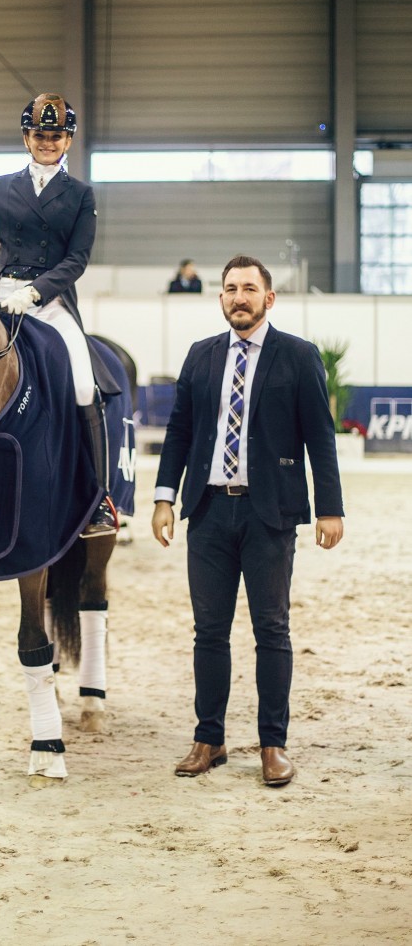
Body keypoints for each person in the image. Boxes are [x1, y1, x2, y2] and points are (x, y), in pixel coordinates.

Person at [151, 254, 344, 786]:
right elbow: (179, 431)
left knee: (272, 630)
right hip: (208, 510)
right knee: (209, 632)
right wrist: (165, 497)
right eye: (231, 288)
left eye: (249, 289)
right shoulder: (201, 355)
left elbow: (320, 437)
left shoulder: (298, 356)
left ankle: (272, 745)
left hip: (270, 514)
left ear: (268, 298)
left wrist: (330, 507)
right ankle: (208, 738)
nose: (239, 297)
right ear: (221, 297)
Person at [0, 92, 118, 537]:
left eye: (56, 136)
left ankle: (98, 500)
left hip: (50, 303)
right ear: (26, 138)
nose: (47, 143)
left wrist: (36, 291)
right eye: (39, 135)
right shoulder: (0, 185)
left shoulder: (81, 194)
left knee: (84, 384)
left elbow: (78, 259)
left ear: (67, 141)